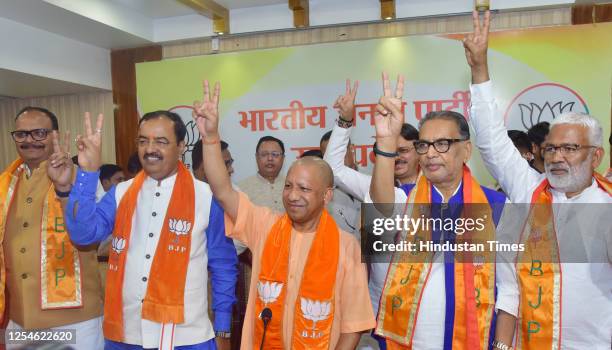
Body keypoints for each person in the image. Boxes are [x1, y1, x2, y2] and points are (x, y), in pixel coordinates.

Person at [464, 10, 611, 349]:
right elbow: (491, 140)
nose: (557, 157)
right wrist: (479, 70)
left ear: (596, 156)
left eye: (570, 148)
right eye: (552, 148)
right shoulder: (531, 191)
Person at [193, 80, 376, 349]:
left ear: (326, 196)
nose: (292, 195)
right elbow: (223, 191)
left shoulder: (346, 248)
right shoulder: (266, 226)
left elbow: (353, 327)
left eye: (304, 189)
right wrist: (210, 139)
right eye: (289, 186)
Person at [59, 111, 238, 350]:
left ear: (181, 146)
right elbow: (83, 235)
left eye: (161, 141)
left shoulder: (206, 197)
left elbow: (223, 265)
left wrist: (223, 327)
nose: (150, 149)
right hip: (125, 334)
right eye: (143, 141)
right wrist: (88, 173)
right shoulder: (121, 193)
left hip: (187, 336)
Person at [368, 73, 509, 349]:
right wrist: (386, 141)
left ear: (466, 151)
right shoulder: (406, 201)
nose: (431, 153)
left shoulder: (498, 206)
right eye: (424, 145)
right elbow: (380, 206)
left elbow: (511, 290)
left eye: (442, 144)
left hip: (474, 339)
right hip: (409, 340)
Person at [1, 107, 104, 349]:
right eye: (22, 134)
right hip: (20, 320)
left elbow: (100, 237)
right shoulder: (5, 184)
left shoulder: (81, 178)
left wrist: (66, 190)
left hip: (74, 321)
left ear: (54, 135)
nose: (29, 140)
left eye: (39, 133)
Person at [237, 136, 286, 213]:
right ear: (256, 157)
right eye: (264, 154)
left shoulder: (292, 185)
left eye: (275, 154)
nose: (270, 158)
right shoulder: (241, 189)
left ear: (283, 158)